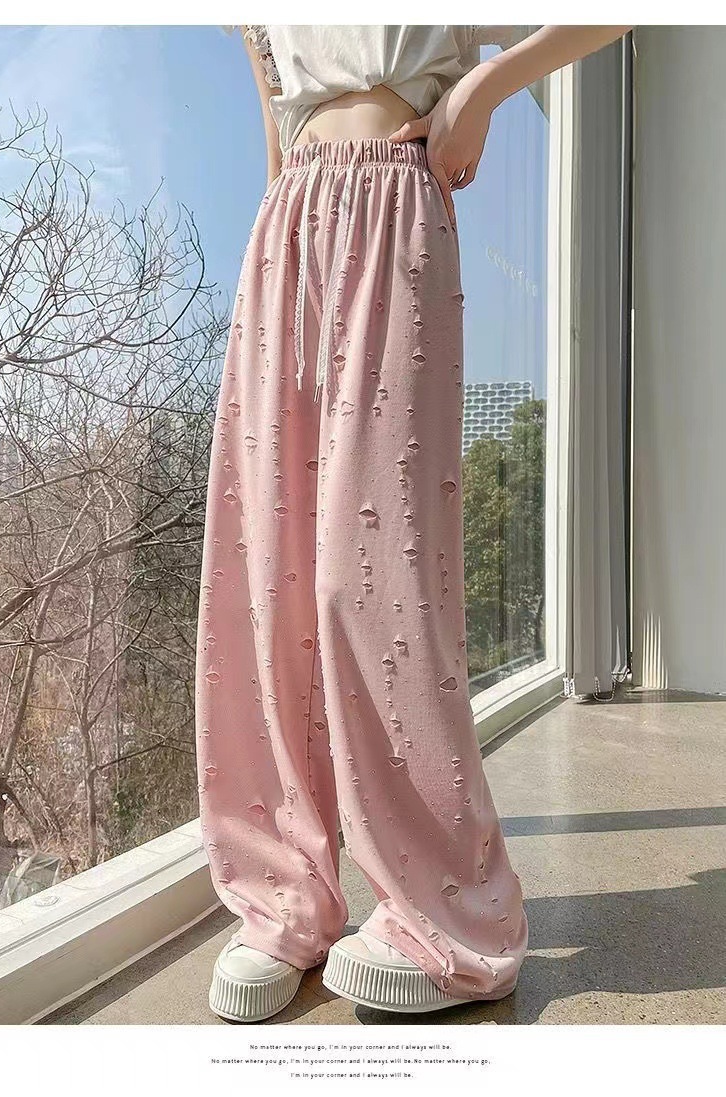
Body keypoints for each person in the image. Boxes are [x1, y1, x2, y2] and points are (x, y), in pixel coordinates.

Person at [196, 24, 634, 1023]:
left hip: (397, 201)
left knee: (372, 578)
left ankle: (454, 913)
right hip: (285, 227)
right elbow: (274, 119)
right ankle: (285, 893)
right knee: (269, 578)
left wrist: (487, 85)